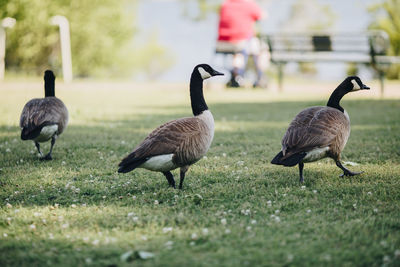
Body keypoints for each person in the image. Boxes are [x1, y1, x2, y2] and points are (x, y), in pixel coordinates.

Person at [216, 0, 267, 88]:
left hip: (222, 43)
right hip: (240, 43)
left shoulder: (225, 4)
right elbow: (262, 15)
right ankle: (259, 78)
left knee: (238, 52)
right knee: (263, 49)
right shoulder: (249, 4)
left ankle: (236, 76)